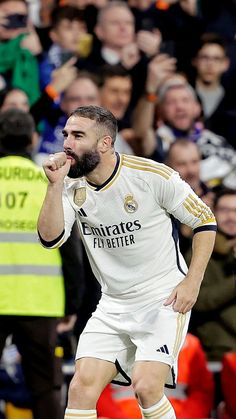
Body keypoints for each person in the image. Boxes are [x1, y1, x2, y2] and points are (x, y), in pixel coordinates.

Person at [37, 105, 216, 419]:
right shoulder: (68, 184)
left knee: (146, 386)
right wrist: (53, 186)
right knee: (80, 390)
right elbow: (50, 239)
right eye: (66, 134)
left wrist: (193, 281)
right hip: (113, 304)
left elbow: (205, 220)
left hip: (162, 300)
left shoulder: (152, 175)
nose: (67, 143)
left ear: (105, 144)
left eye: (78, 135)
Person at [0, 109, 65, 419]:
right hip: (40, 300)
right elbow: (71, 248)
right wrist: (76, 300)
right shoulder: (48, 180)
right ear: (33, 139)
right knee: (45, 387)